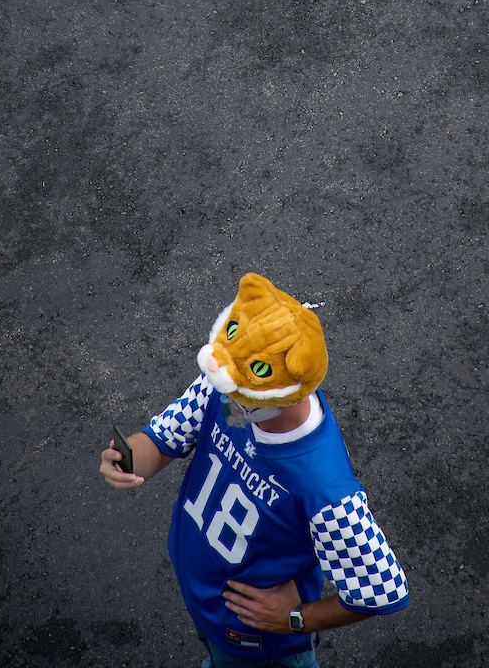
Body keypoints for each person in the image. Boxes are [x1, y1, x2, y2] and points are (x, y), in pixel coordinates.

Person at [99, 272, 409, 667]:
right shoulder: (237, 382)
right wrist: (127, 460)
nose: (221, 398)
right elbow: (164, 438)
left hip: (255, 646)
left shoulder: (324, 487)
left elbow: (383, 590)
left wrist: (294, 619)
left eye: (235, 397)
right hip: (209, 606)